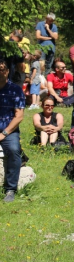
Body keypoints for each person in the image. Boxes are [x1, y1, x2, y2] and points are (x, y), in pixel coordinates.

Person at [0, 59, 25, 202]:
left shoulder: (15, 89)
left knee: (14, 150)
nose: (0, 72)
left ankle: (10, 189)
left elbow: (19, 116)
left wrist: (4, 134)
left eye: (3, 69)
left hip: (9, 130)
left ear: (8, 72)